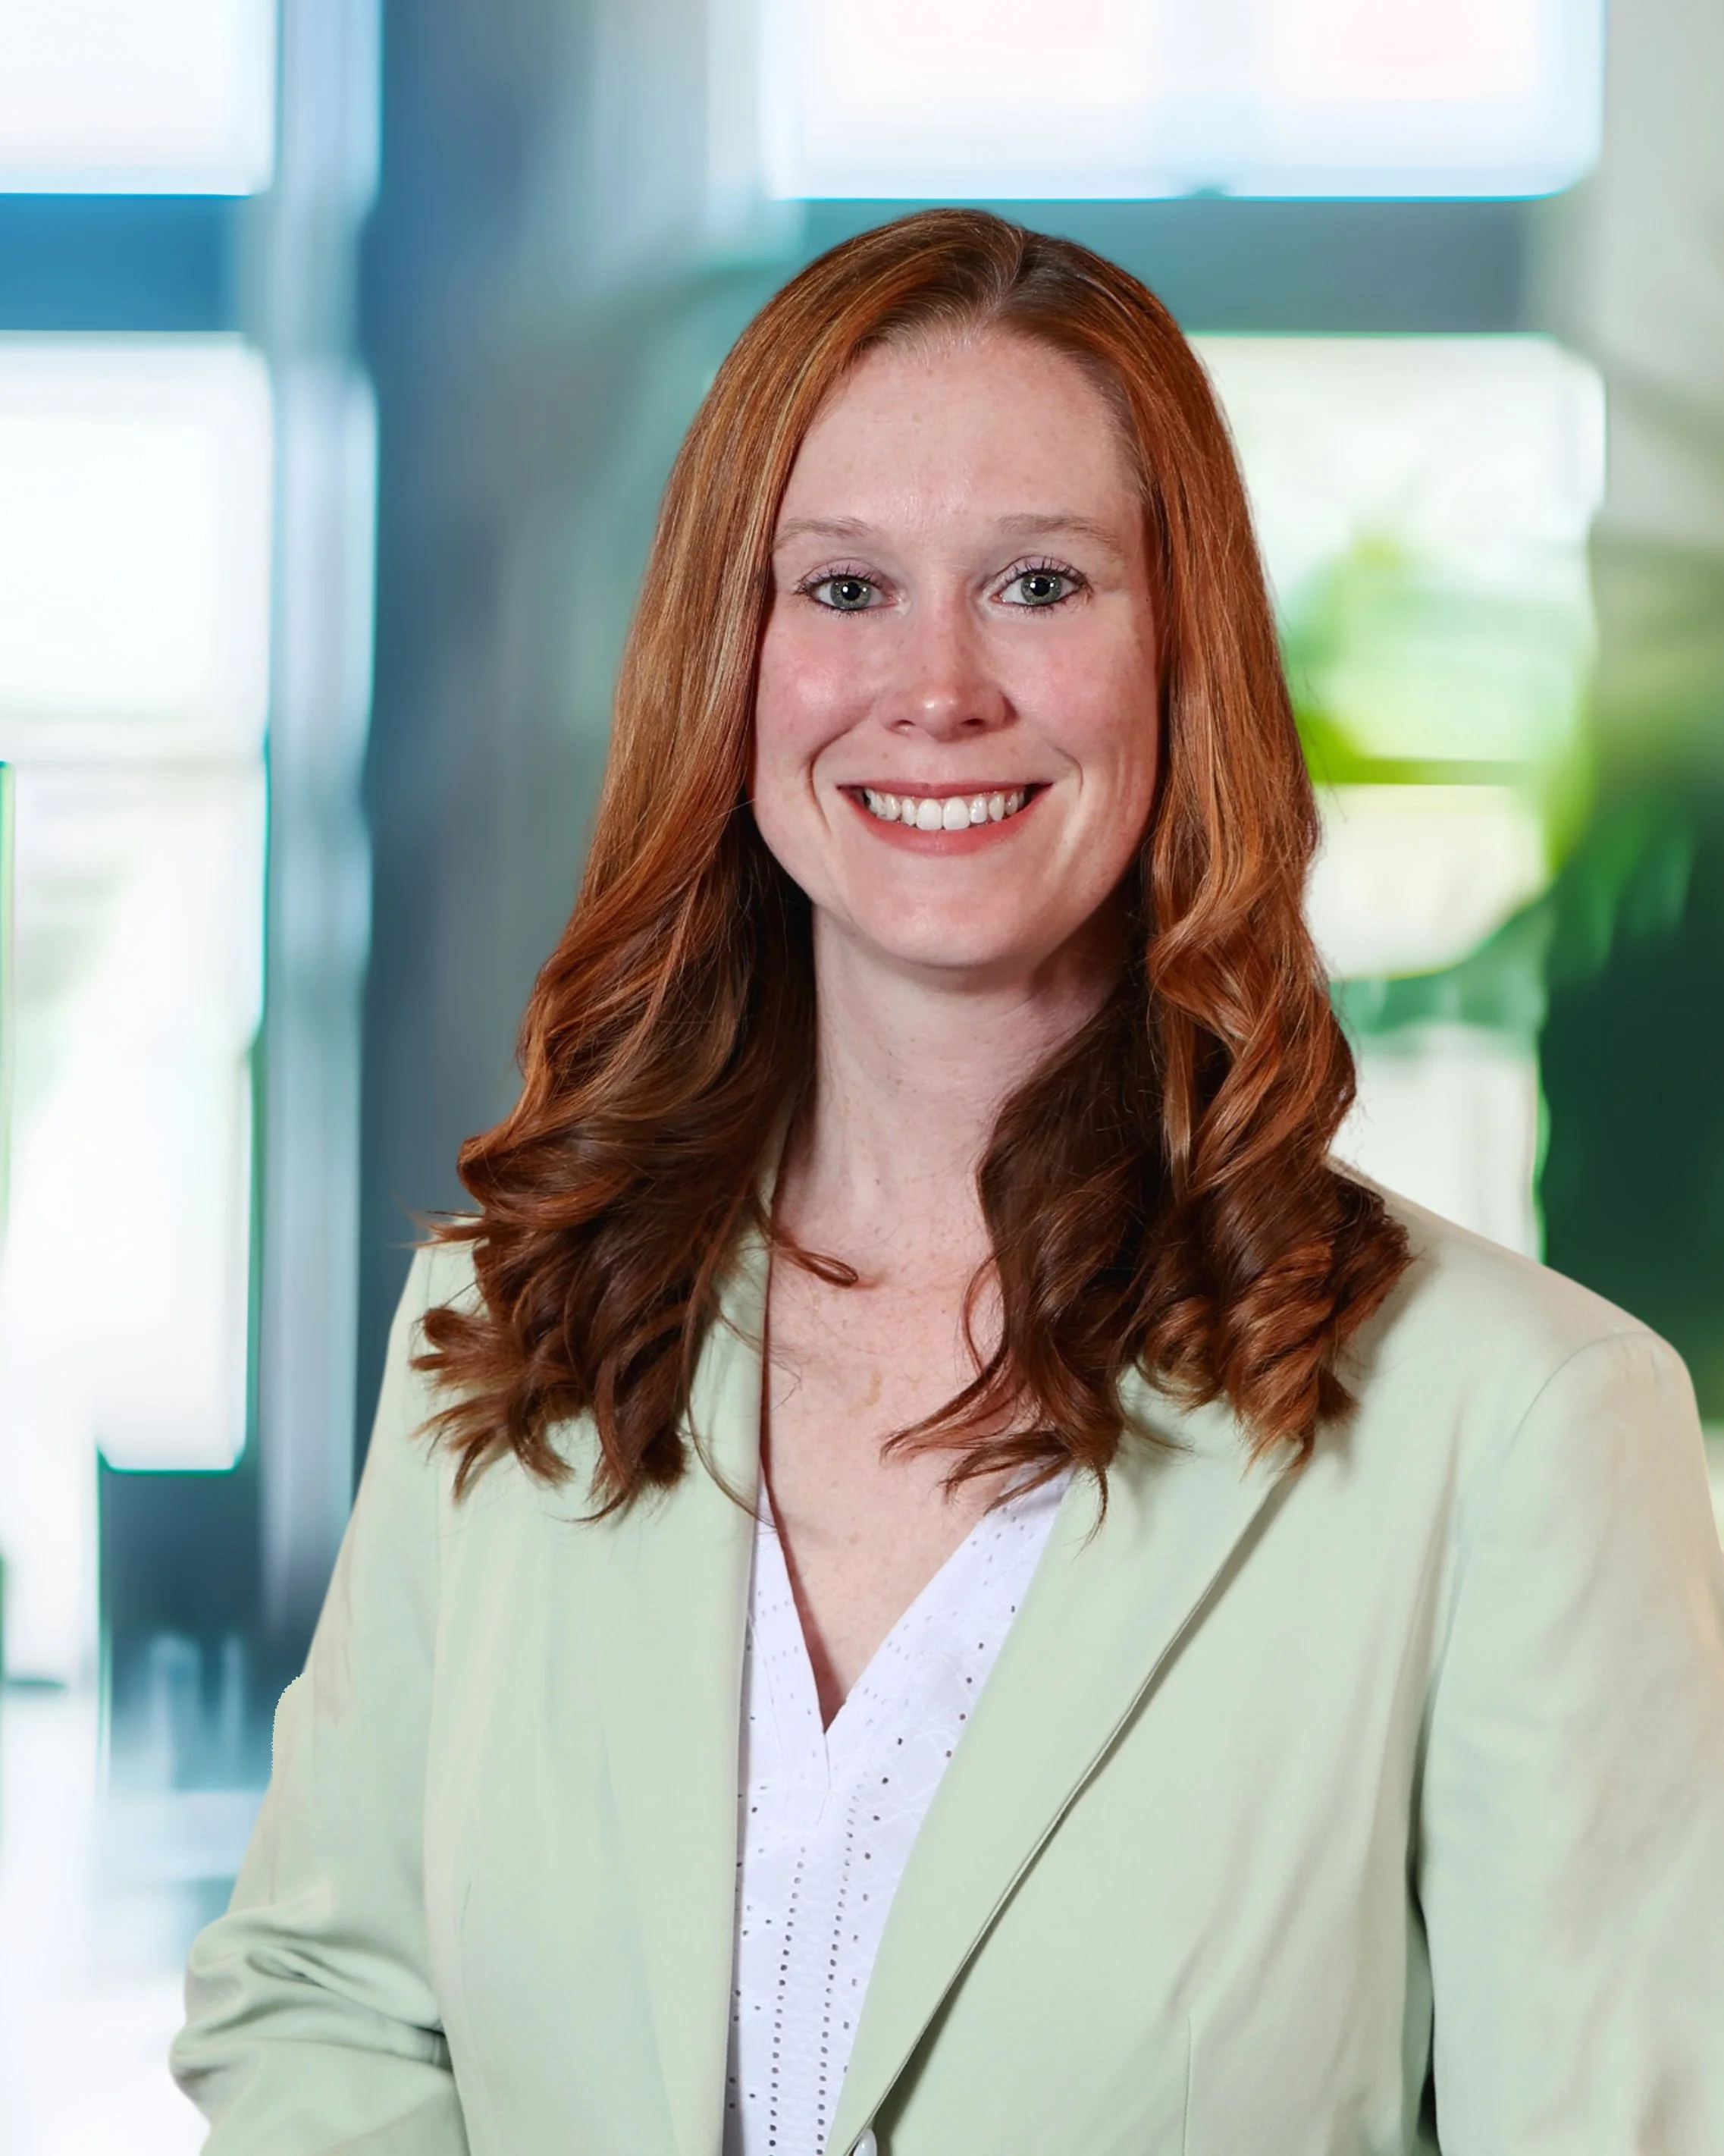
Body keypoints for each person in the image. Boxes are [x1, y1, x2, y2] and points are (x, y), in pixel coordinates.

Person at [172, 210, 1724, 2156]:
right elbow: (324, 1999)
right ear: (726, 665)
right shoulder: (508, 1339)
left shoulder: (1517, 1430)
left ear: (1184, 659)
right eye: (841, 586)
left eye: (1042, 583)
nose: (936, 684)